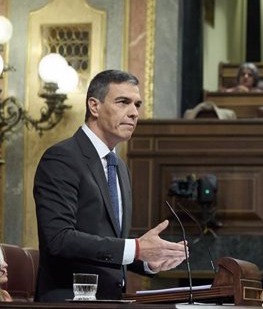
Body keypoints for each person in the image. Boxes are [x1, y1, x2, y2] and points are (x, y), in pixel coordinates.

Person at [33, 70, 187, 302]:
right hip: (67, 302)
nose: (134, 113)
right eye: (123, 102)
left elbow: (107, 239)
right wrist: (136, 248)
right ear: (94, 106)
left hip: (110, 300)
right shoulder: (62, 157)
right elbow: (59, 239)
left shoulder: (119, 167)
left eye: (137, 104)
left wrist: (147, 261)